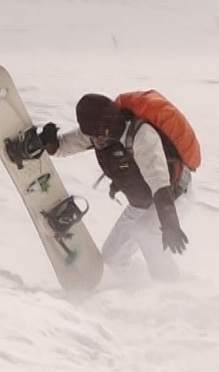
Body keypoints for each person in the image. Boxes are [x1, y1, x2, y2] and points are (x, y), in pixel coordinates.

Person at [29, 91, 197, 283]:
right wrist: (50, 144)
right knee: (110, 260)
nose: (97, 141)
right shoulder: (96, 133)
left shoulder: (143, 137)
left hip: (173, 196)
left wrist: (170, 225)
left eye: (100, 135)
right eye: (92, 136)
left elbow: (160, 185)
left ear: (112, 123)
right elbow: (66, 145)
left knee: (146, 232)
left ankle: (171, 289)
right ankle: (131, 291)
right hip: (142, 202)